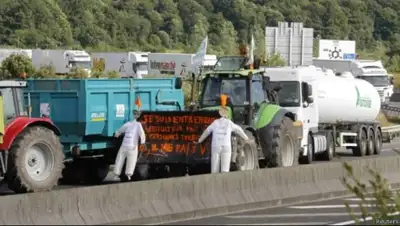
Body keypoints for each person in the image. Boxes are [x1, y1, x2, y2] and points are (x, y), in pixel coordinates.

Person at [196, 104, 249, 173]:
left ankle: (215, 181)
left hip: (215, 146)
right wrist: (246, 138)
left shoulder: (215, 122)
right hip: (226, 146)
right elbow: (239, 129)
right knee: (225, 169)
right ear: (226, 114)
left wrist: (199, 141)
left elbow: (207, 131)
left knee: (214, 169)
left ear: (219, 114)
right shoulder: (229, 123)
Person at [113, 109, 146, 181]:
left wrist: (116, 135)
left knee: (119, 160)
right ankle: (129, 174)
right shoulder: (138, 125)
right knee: (131, 161)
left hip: (124, 146)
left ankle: (116, 174)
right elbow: (142, 134)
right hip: (132, 147)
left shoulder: (127, 124)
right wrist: (143, 143)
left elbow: (119, 131)